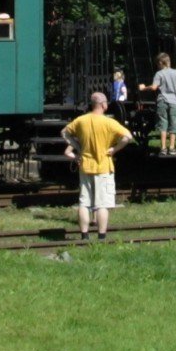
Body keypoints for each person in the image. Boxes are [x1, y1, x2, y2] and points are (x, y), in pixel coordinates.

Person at [61, 90, 133, 240]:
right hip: (103, 166)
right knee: (102, 204)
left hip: (85, 165)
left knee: (84, 202)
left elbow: (64, 133)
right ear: (102, 105)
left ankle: (84, 235)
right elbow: (127, 137)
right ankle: (101, 236)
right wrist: (114, 149)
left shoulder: (81, 120)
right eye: (106, 102)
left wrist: (78, 148)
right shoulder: (109, 122)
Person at [149, 52, 176, 152]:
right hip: (174, 101)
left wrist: (144, 87)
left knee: (163, 124)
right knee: (174, 124)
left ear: (160, 63)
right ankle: (172, 147)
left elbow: (154, 87)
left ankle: (163, 147)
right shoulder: (175, 73)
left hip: (162, 100)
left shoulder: (159, 74)